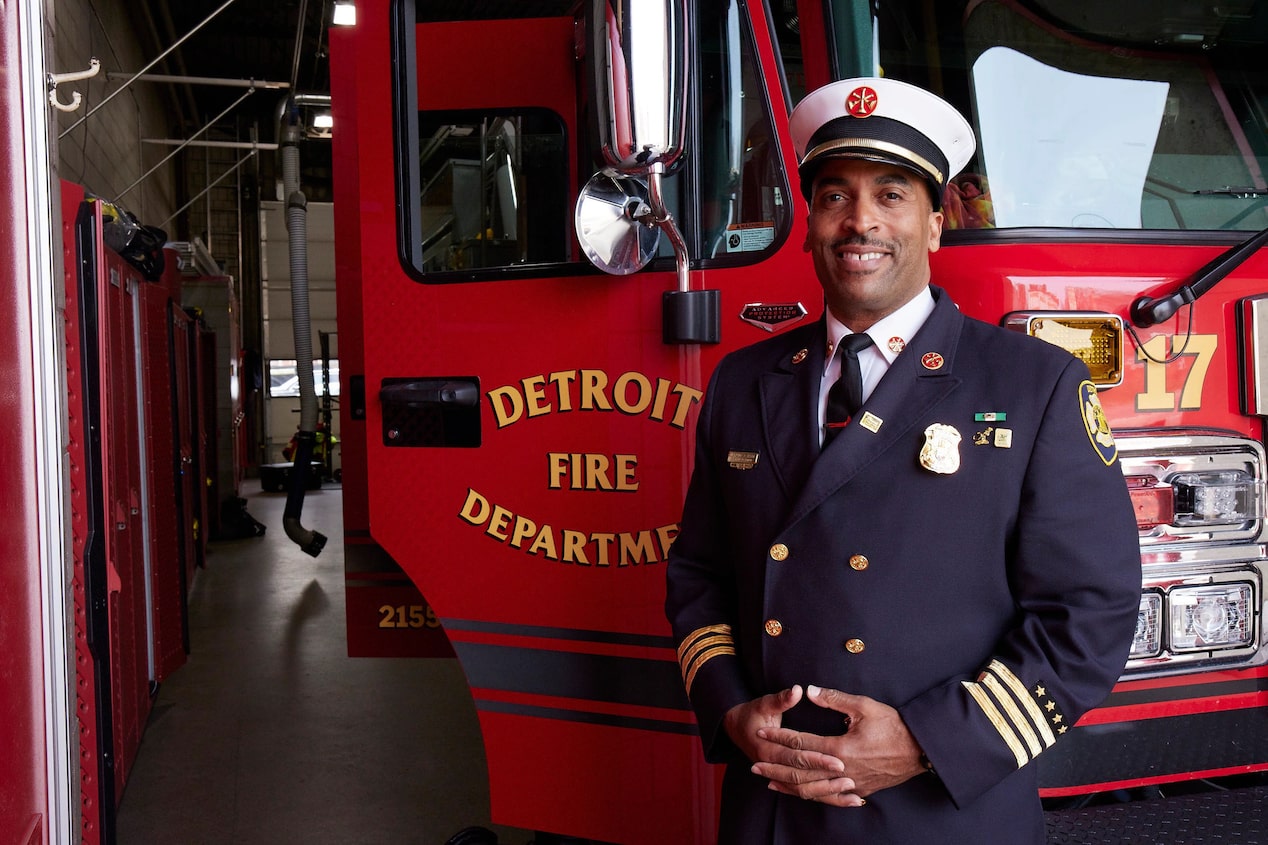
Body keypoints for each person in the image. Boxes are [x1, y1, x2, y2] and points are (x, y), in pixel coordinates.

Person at [664, 77, 1142, 843]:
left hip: (944, 811)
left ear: (936, 222)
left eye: (891, 195)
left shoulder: (1033, 384)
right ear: (811, 222)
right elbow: (699, 574)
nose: (860, 223)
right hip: (772, 808)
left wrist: (929, 742)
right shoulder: (743, 381)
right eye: (833, 197)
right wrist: (729, 707)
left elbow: (1091, 613)